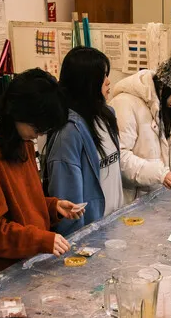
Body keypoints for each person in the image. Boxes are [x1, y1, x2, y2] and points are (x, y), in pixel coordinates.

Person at [0, 69, 84, 278]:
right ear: (18, 112)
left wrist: (51, 206)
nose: (39, 133)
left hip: (33, 264)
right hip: (8, 274)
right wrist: (40, 240)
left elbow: (23, 204)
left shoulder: (24, 145)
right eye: (37, 126)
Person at [42, 47, 123, 236]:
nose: (108, 82)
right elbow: (68, 201)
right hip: (90, 235)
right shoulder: (69, 133)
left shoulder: (107, 115)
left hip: (114, 224)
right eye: (103, 76)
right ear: (87, 83)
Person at [109, 53, 171, 201]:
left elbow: (150, 151)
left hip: (150, 197)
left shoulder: (160, 107)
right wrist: (159, 174)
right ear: (164, 85)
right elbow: (120, 157)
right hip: (128, 201)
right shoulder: (124, 104)